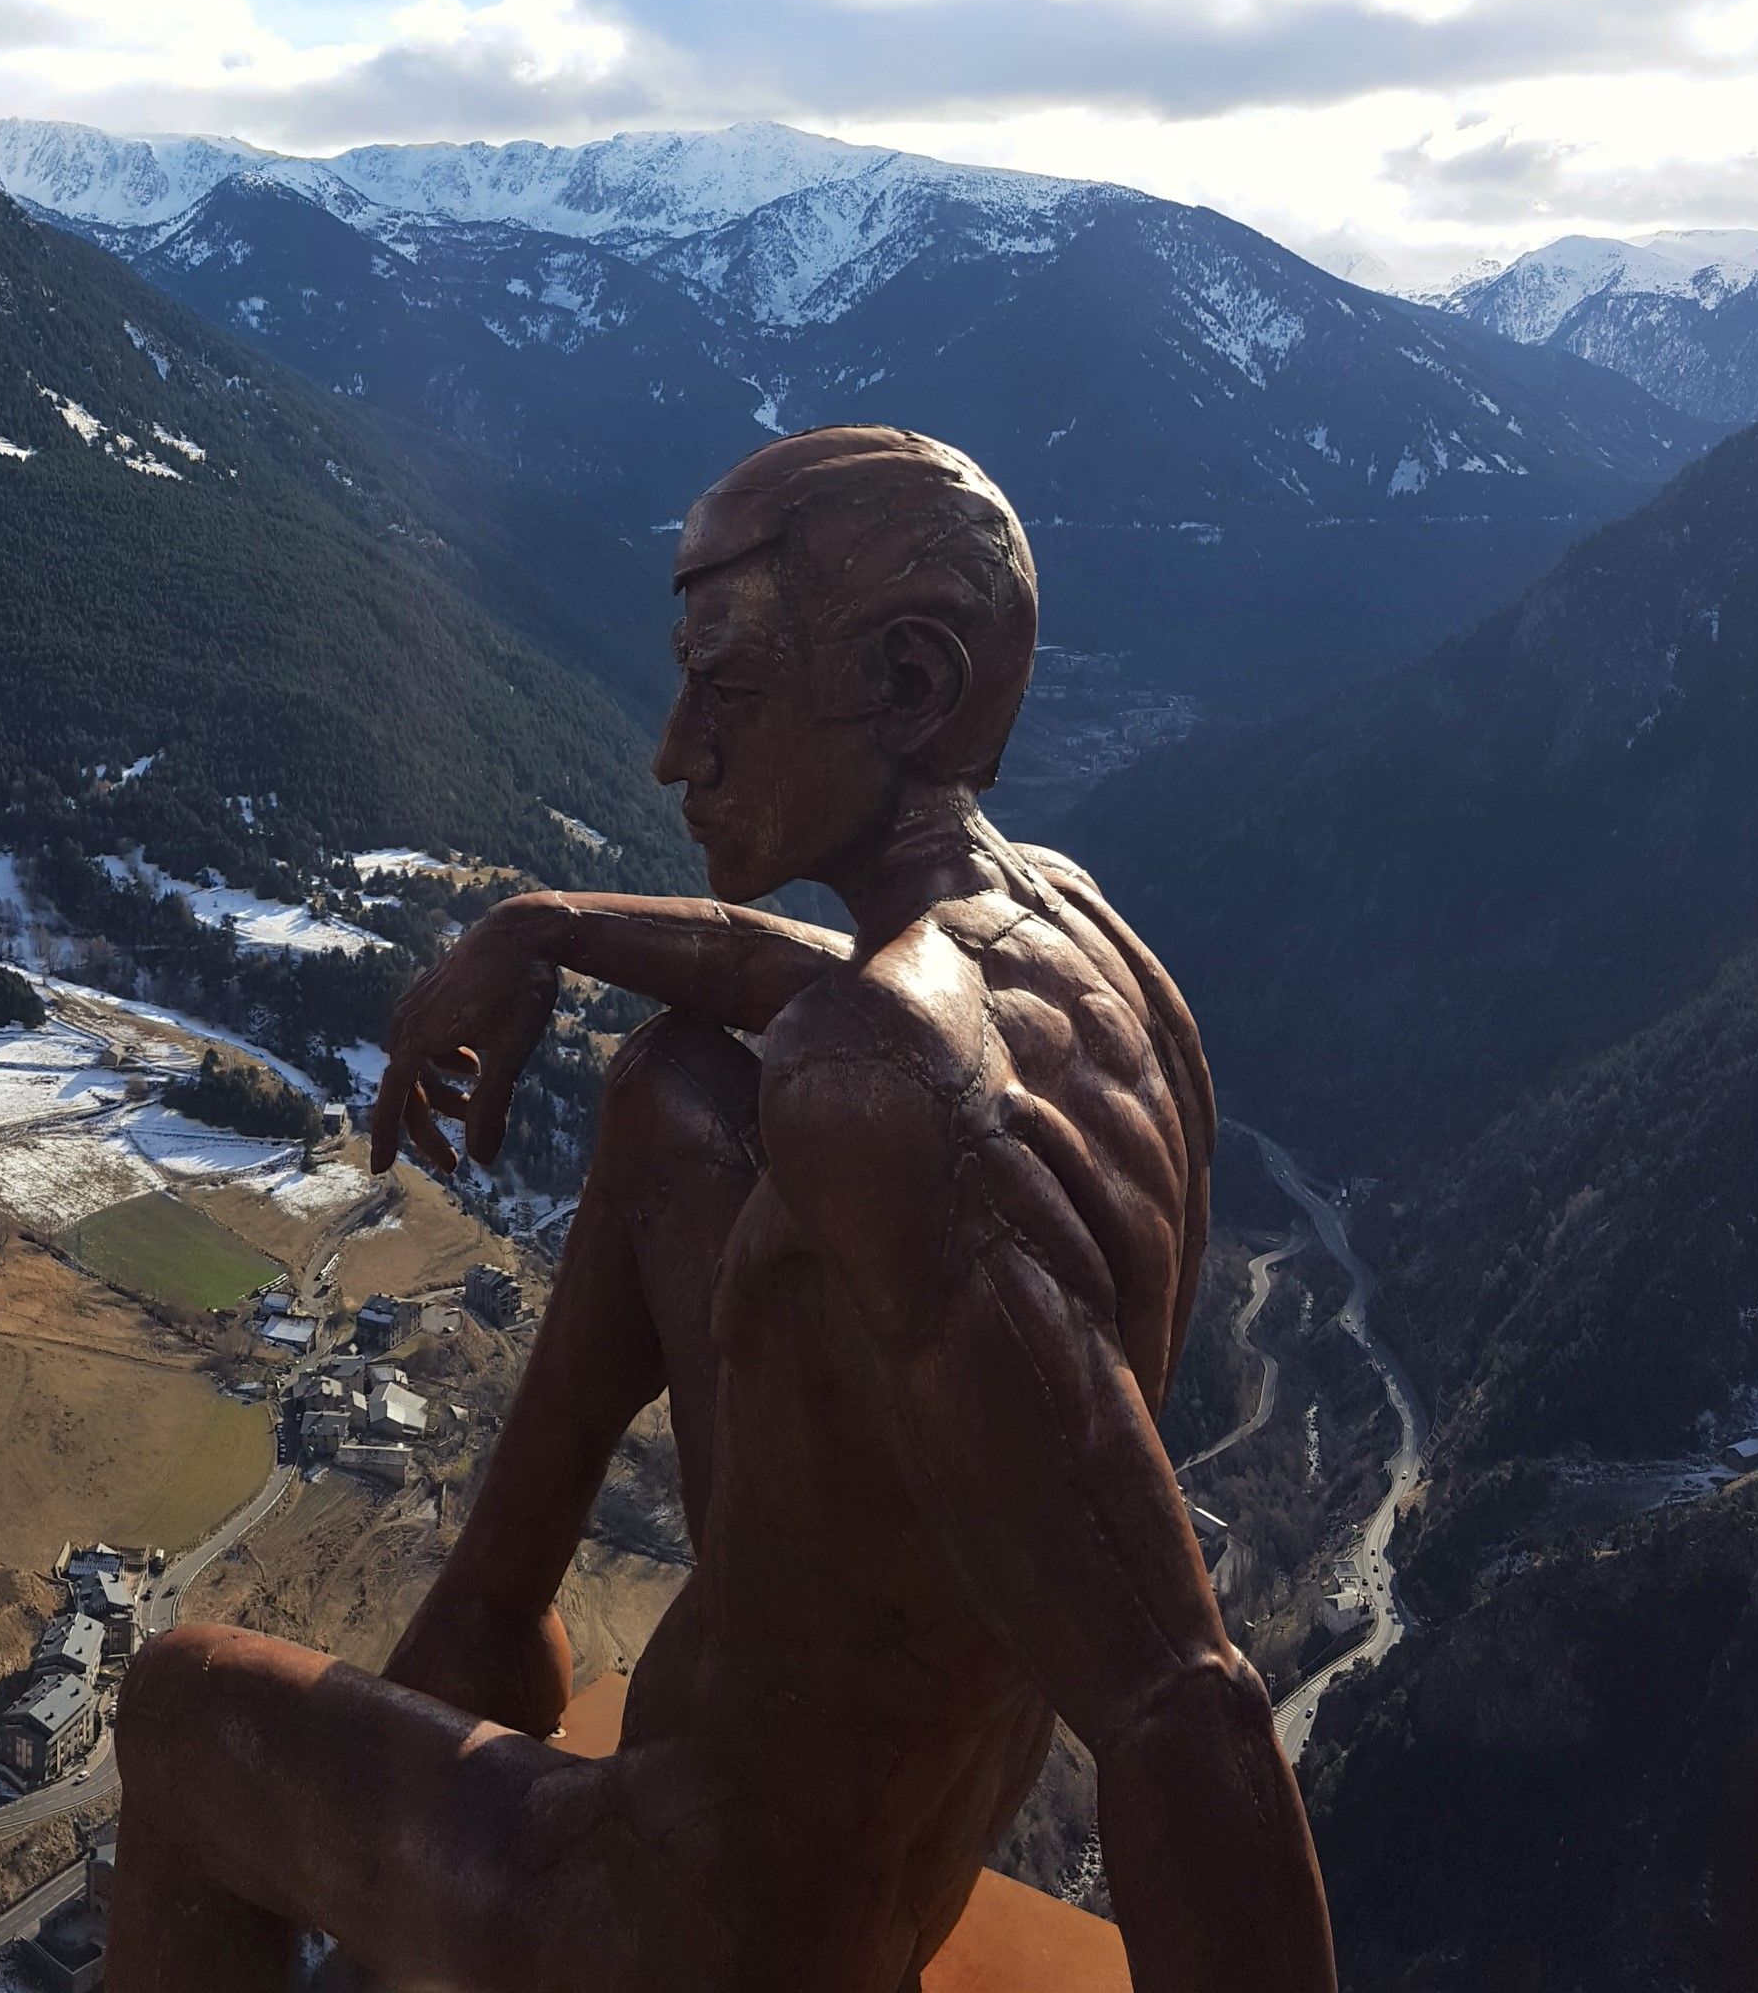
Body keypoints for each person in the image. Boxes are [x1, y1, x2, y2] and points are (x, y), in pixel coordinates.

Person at [103, 428, 1330, 1988]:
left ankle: (460, 1701)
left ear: (909, 683)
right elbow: (814, 991)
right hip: (887, 1840)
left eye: (728, 695)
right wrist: (542, 923)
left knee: (183, 1707)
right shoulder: (1076, 950)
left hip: (690, 1922)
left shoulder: (877, 1083)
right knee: (671, 1090)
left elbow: (1186, 1704)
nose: (673, 752)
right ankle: (486, 1625)